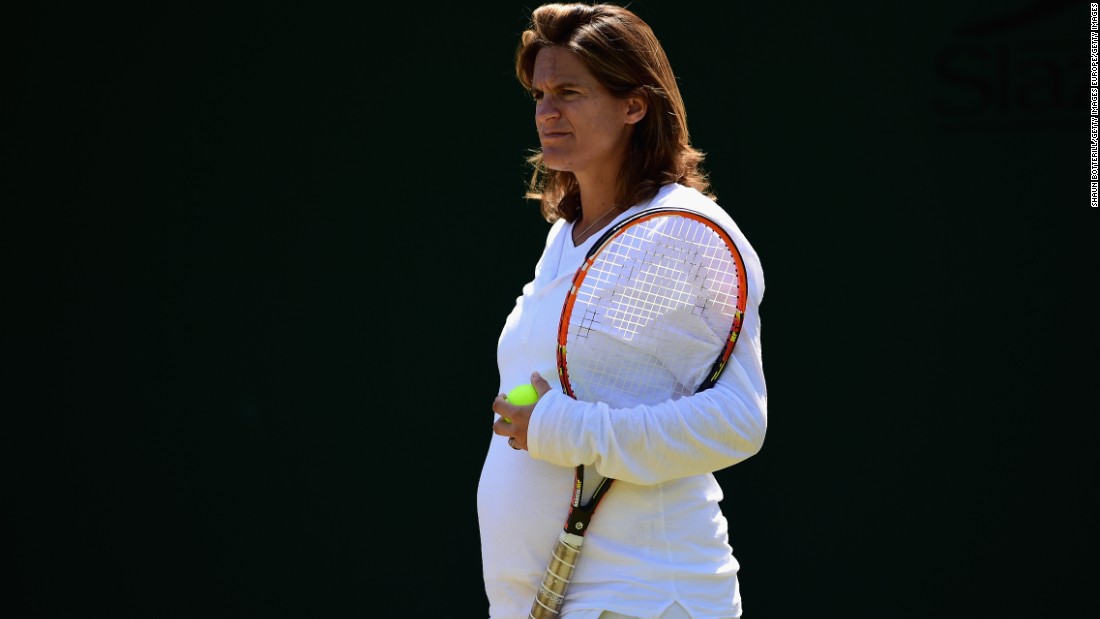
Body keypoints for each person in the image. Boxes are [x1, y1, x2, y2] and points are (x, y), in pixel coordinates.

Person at [477, 3, 767, 618]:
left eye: (570, 92)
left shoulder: (681, 234)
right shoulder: (565, 235)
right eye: (539, 93)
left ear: (634, 105)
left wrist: (564, 430)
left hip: (646, 597)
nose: (546, 113)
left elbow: (738, 421)